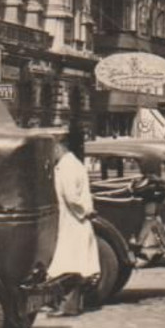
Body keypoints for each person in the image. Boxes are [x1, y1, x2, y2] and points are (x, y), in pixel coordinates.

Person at [47, 134, 101, 316]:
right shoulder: (71, 164)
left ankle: (67, 306)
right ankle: (73, 305)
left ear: (58, 147)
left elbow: (71, 196)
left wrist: (85, 210)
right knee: (74, 264)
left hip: (73, 221)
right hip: (73, 220)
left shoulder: (68, 167)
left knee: (68, 265)